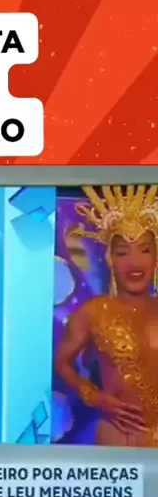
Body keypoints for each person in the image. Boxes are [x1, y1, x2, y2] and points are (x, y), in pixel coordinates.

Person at [55, 184, 158, 447]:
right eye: (123, 252)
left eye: (145, 250)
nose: (134, 263)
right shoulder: (92, 312)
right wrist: (94, 397)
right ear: (110, 258)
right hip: (119, 436)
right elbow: (62, 362)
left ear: (156, 256)